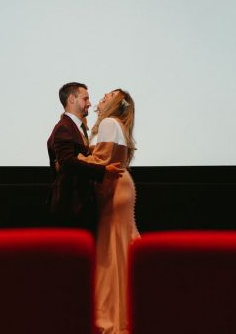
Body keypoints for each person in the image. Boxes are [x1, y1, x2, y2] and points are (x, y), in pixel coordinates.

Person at [77, 89, 140, 334]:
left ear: (116, 103)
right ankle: (122, 313)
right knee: (117, 247)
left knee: (111, 249)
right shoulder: (115, 125)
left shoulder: (109, 123)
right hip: (118, 187)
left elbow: (102, 159)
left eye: (107, 95)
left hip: (114, 190)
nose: (101, 97)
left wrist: (73, 159)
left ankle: (112, 319)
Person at [47, 82, 124, 232]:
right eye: (85, 99)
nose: (89, 103)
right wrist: (103, 171)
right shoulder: (65, 127)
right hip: (70, 206)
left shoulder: (75, 127)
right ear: (71, 99)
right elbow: (67, 163)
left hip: (79, 205)